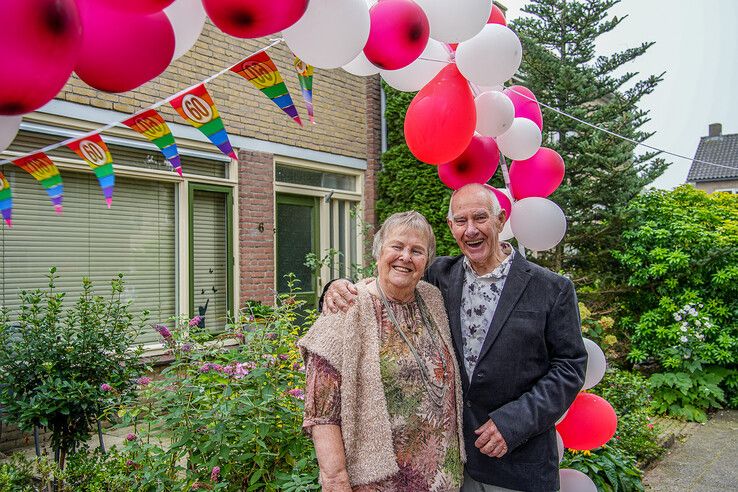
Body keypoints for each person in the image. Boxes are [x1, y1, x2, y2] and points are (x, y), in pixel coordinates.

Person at [323, 184, 587, 492]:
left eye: (480, 218)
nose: (471, 229)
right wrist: (337, 288)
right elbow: (388, 284)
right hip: (456, 466)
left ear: (501, 220)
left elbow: (569, 367)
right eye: (461, 221)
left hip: (520, 464)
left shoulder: (551, 288)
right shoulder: (439, 277)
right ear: (451, 227)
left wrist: (514, 422)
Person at [299, 211, 466, 491]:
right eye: (397, 247)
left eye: (416, 251)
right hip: (379, 481)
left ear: (426, 262)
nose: (405, 257)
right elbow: (322, 413)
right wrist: (335, 480)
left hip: (443, 479)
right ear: (378, 252)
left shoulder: (433, 300)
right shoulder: (346, 308)